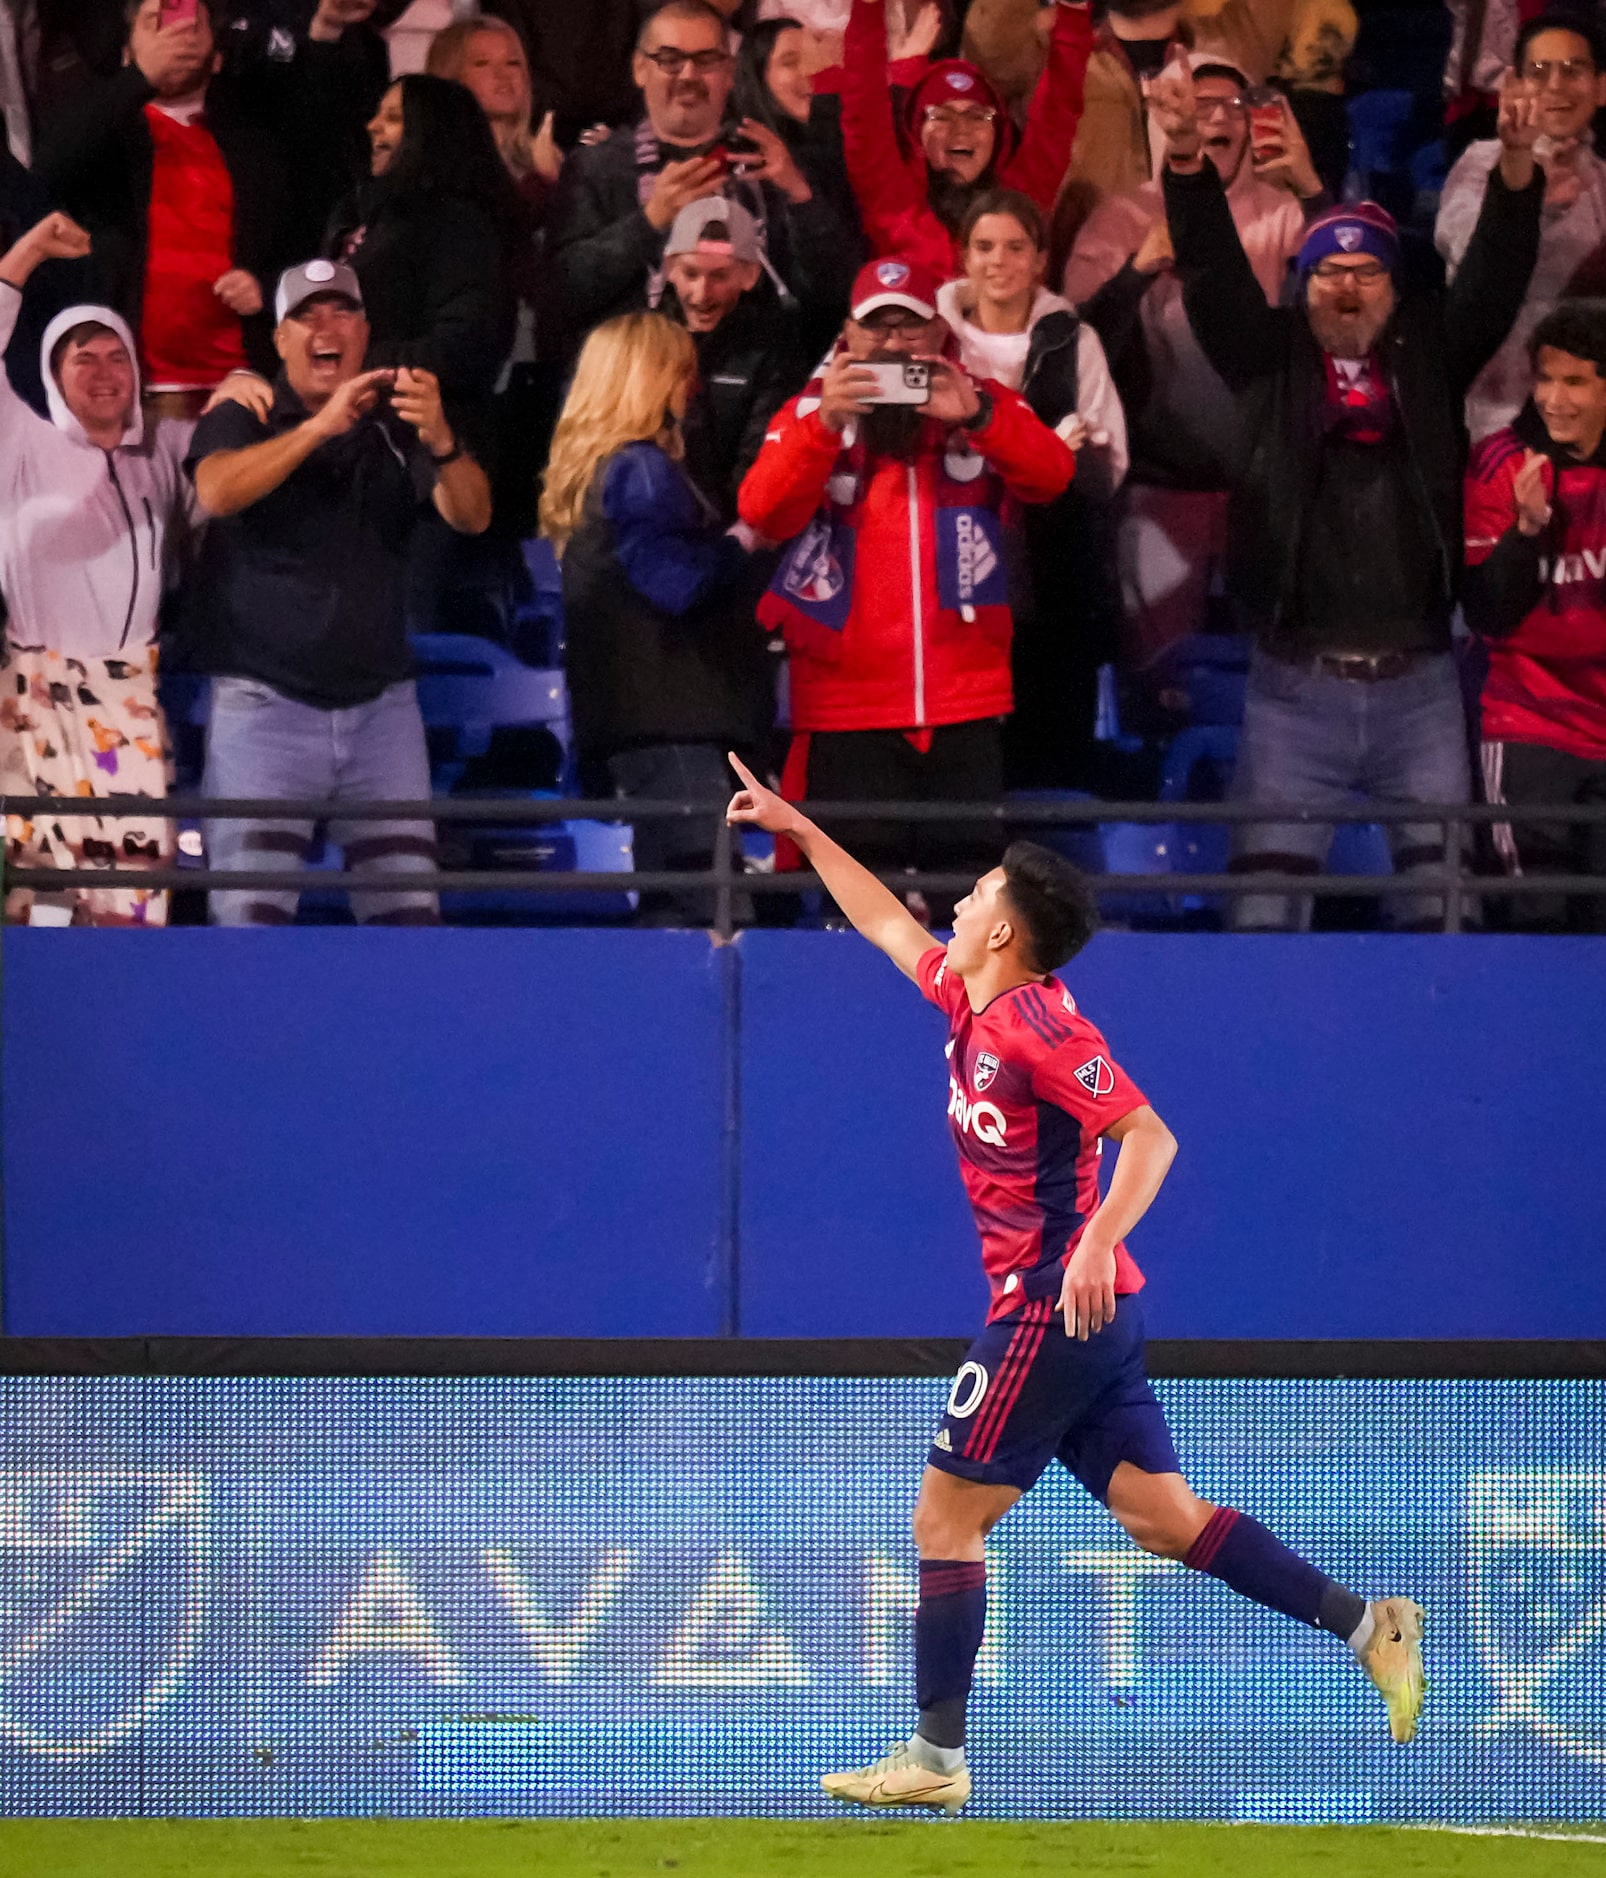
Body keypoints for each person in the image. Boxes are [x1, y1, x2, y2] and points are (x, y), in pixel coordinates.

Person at [723, 751, 1427, 1813]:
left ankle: (935, 1759)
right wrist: (803, 829)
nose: (953, 907)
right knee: (1163, 1519)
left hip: (1053, 1303)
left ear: (1005, 931)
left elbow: (1149, 1137)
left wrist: (1095, 1237)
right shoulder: (969, 997)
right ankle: (1368, 1625)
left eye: (974, 898)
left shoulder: (1045, 1028)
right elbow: (883, 925)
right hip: (1095, 1317)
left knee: (942, 1523)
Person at [1155, 63, 1545, 931]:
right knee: (1260, 918)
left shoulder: (1429, 363)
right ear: (1303, 283)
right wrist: (1184, 160)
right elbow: (1214, 273)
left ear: (1394, 287)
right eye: (1328, 271)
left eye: (1366, 270)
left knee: (1447, 921)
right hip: (1296, 691)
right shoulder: (1269, 358)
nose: (1345, 285)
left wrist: (1517, 170)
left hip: (1421, 690)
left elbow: (1494, 280)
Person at [737, 255, 1075, 914]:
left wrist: (977, 417)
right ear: (848, 337)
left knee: (974, 918)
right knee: (860, 918)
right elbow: (762, 511)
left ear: (937, 335)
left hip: (965, 704)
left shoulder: (979, 397)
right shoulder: (810, 410)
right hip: (846, 709)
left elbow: (1053, 475)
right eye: (878, 330)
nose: (894, 347)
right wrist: (825, 426)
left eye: (910, 330)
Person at [183, 258, 491, 926]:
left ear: (364, 331)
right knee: (248, 929)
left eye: (342, 310)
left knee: (409, 925)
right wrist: (317, 429)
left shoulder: (395, 424)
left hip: (381, 715)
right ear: (281, 339)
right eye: (306, 314)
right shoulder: (248, 409)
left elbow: (473, 515)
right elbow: (215, 490)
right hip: (265, 712)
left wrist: (440, 437)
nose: (326, 325)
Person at [1064, 56, 1319, 691]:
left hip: (1270, 492)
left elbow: (1344, 312)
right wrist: (1135, 272)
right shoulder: (1121, 216)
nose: (1214, 120)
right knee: (1161, 686)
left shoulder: (1287, 214)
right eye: (1197, 106)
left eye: (1231, 107)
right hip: (1160, 489)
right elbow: (1074, 346)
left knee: (1275, 676)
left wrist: (1316, 194)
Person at [34, 0, 373, 416]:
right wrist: (138, 78)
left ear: (216, 59)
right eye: (156, 22)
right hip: (131, 392)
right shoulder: (107, 137)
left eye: (190, 22)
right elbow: (48, 174)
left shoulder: (255, 140)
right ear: (125, 53)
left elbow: (314, 214)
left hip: (244, 388)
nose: (176, 33)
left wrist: (266, 288)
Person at [541, 312, 770, 924]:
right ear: (647, 378)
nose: (691, 388)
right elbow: (675, 583)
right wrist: (740, 543)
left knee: (671, 906)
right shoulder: (640, 468)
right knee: (716, 911)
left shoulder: (597, 470)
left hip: (638, 723)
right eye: (680, 372)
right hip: (673, 723)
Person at [0, 211, 193, 927]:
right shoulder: (17, 443)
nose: (105, 373)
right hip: (36, 704)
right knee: (39, 908)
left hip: (130, 705)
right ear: (53, 374)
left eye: (118, 357)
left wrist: (241, 392)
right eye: (83, 357)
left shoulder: (165, 451)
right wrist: (28, 252)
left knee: (133, 914)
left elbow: (235, 474)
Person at [937, 186, 1127, 786]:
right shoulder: (933, 341)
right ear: (963, 257)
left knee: (1045, 745)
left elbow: (1107, 457)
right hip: (949, 561)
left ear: (1041, 260)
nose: (1000, 261)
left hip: (1051, 565)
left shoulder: (1074, 341)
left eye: (1016, 247)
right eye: (985, 246)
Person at [545, 0, 856, 342]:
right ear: (639, 68)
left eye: (706, 60)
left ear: (730, 73)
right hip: (636, 376)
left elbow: (834, 298)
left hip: (761, 379)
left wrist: (801, 198)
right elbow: (561, 295)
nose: (689, 74)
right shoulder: (597, 167)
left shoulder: (772, 162)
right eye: (669, 60)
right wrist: (649, 221)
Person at [1465, 300, 1606, 931]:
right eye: (1544, 379)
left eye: (1575, 381)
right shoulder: (1501, 464)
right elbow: (1488, 615)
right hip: (1531, 723)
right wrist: (1525, 532)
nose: (1553, 399)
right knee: (1539, 924)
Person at [1437, 9, 1606, 442]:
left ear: (1602, 87)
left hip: (1588, 427)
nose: (1555, 86)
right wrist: (1529, 191)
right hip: (1499, 417)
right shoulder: (1479, 164)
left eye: (1573, 70)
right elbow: (1471, 266)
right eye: (1538, 71)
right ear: (1512, 85)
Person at [837, 0, 1093, 282]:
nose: (961, 130)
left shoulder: (1022, 193)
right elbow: (863, 105)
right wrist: (867, 8)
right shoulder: (894, 201)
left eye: (977, 116)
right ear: (916, 133)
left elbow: (1059, 108)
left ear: (997, 134)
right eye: (941, 117)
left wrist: (1073, 13)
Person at [662, 194, 805, 514]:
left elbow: (760, 459)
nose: (701, 294)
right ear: (670, 268)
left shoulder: (772, 349)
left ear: (749, 275)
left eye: (719, 276)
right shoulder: (639, 340)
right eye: (691, 273)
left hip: (728, 531)